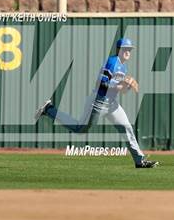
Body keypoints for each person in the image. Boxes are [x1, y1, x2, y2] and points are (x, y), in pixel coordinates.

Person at [35, 38, 159, 168]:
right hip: (98, 102)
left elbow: (120, 90)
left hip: (112, 104)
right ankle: (49, 109)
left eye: (130, 49)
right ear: (119, 50)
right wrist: (121, 84)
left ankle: (140, 161)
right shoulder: (112, 62)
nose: (128, 52)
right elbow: (101, 83)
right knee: (80, 129)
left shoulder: (124, 67)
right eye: (125, 49)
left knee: (126, 127)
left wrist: (126, 86)